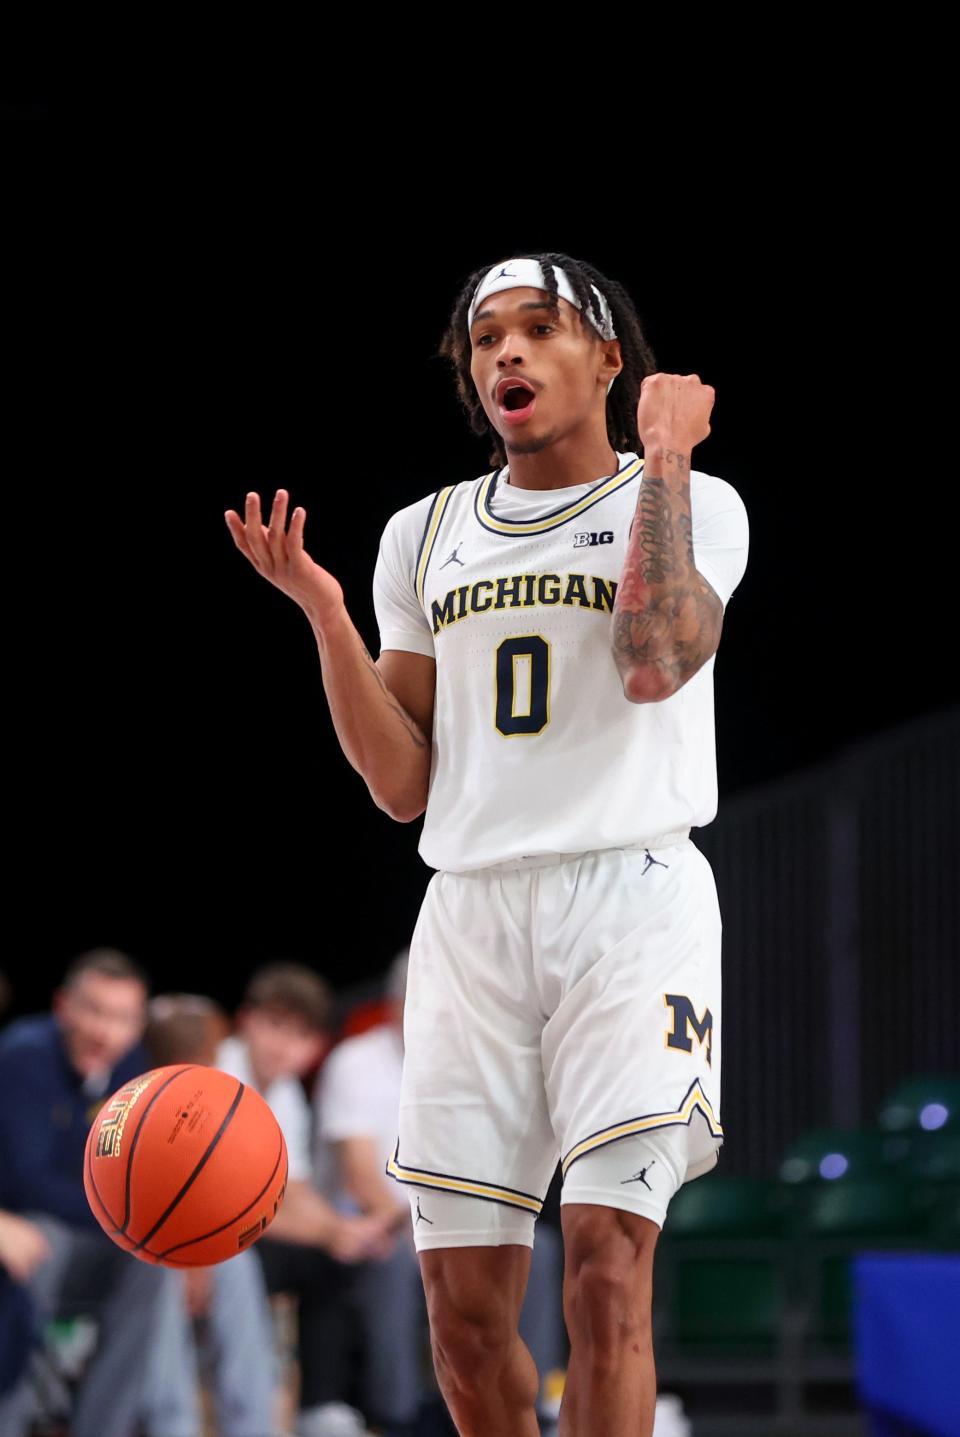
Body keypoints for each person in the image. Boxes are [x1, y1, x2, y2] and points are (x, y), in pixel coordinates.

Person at [225, 252, 749, 1437]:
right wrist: (325, 614)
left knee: (608, 1270)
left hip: (632, 898)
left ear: (609, 359)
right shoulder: (423, 535)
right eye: (486, 338)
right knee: (462, 1326)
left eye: (541, 329)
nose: (507, 352)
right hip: (468, 918)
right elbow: (402, 785)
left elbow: (658, 657)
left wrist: (663, 456)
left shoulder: (694, 501)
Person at [315, 949, 566, 1435]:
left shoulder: (467, 1066)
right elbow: (358, 1175)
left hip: (449, 1214)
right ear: (396, 1002)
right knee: (395, 1261)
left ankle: (531, 1408)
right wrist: (425, 1228)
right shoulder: (356, 1062)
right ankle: (399, 1414)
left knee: (542, 1246)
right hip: (378, 1218)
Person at [0, 947, 167, 1437]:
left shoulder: (133, 1069)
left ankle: (104, 1427)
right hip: (27, 1227)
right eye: (93, 1010)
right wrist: (126, 1217)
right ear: (63, 1007)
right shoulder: (24, 1055)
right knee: (39, 1243)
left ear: (137, 1026)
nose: (104, 1030)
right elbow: (30, 1182)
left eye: (120, 1017)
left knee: (155, 1263)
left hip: (85, 1231)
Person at [218, 962, 390, 1437]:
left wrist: (341, 1231)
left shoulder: (286, 1092)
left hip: (245, 1236)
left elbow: (291, 1189)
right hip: (207, 1242)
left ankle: (322, 1407)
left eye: (298, 1035)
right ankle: (248, 1416)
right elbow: (231, 1205)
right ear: (246, 1020)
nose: (281, 1045)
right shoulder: (217, 1078)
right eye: (274, 1025)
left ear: (314, 1049)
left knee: (332, 1263)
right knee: (271, 1261)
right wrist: (331, 1231)